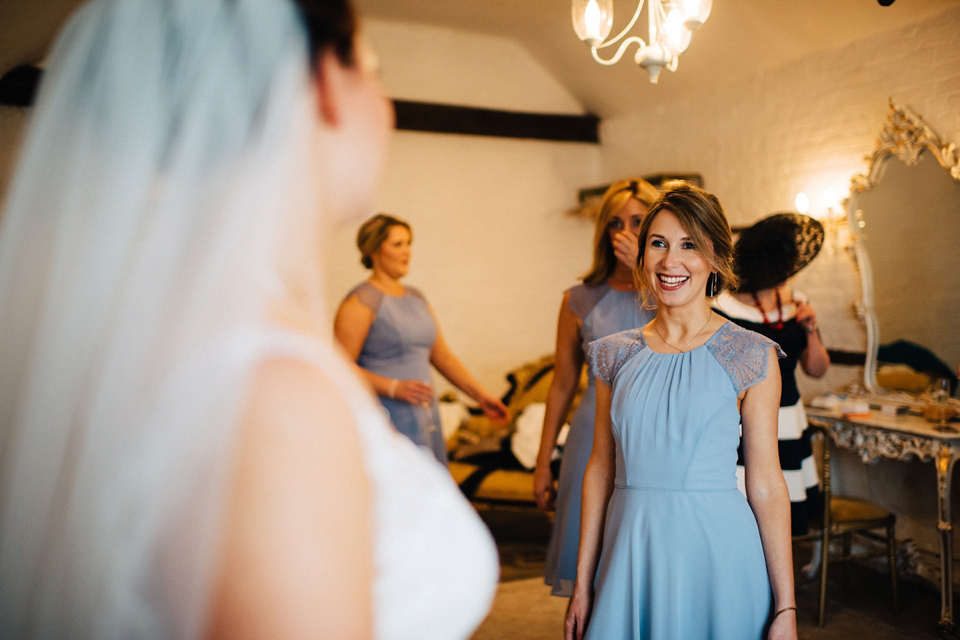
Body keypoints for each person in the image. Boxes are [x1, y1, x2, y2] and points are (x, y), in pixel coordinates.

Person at [0, 2, 497, 639]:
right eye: (373, 70)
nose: (385, 103)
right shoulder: (273, 391)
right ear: (322, 86)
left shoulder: (176, 320)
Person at [565, 182, 797, 640]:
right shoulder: (614, 355)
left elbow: (767, 483)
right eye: (659, 244)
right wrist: (582, 585)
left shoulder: (750, 354)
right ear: (643, 256)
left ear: (713, 257)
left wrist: (786, 606)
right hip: (631, 552)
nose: (670, 261)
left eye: (689, 245)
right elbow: (599, 470)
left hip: (719, 555)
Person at [532, 178, 659, 597]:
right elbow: (562, 383)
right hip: (591, 432)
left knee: (643, 556)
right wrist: (542, 459)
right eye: (616, 223)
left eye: (639, 221)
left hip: (653, 433)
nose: (626, 232)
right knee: (589, 551)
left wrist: (648, 268)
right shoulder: (579, 299)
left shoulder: (672, 294)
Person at [334, 213, 509, 464]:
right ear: (373, 250)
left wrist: (481, 396)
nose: (407, 251)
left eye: (409, 243)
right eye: (397, 244)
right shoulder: (360, 301)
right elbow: (337, 367)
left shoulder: (416, 297)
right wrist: (394, 387)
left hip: (423, 412)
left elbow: (442, 356)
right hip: (385, 412)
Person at [713, 212, 830, 537]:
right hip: (738, 416)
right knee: (743, 507)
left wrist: (811, 328)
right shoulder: (722, 306)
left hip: (788, 416)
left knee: (783, 513)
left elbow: (817, 369)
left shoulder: (798, 303)